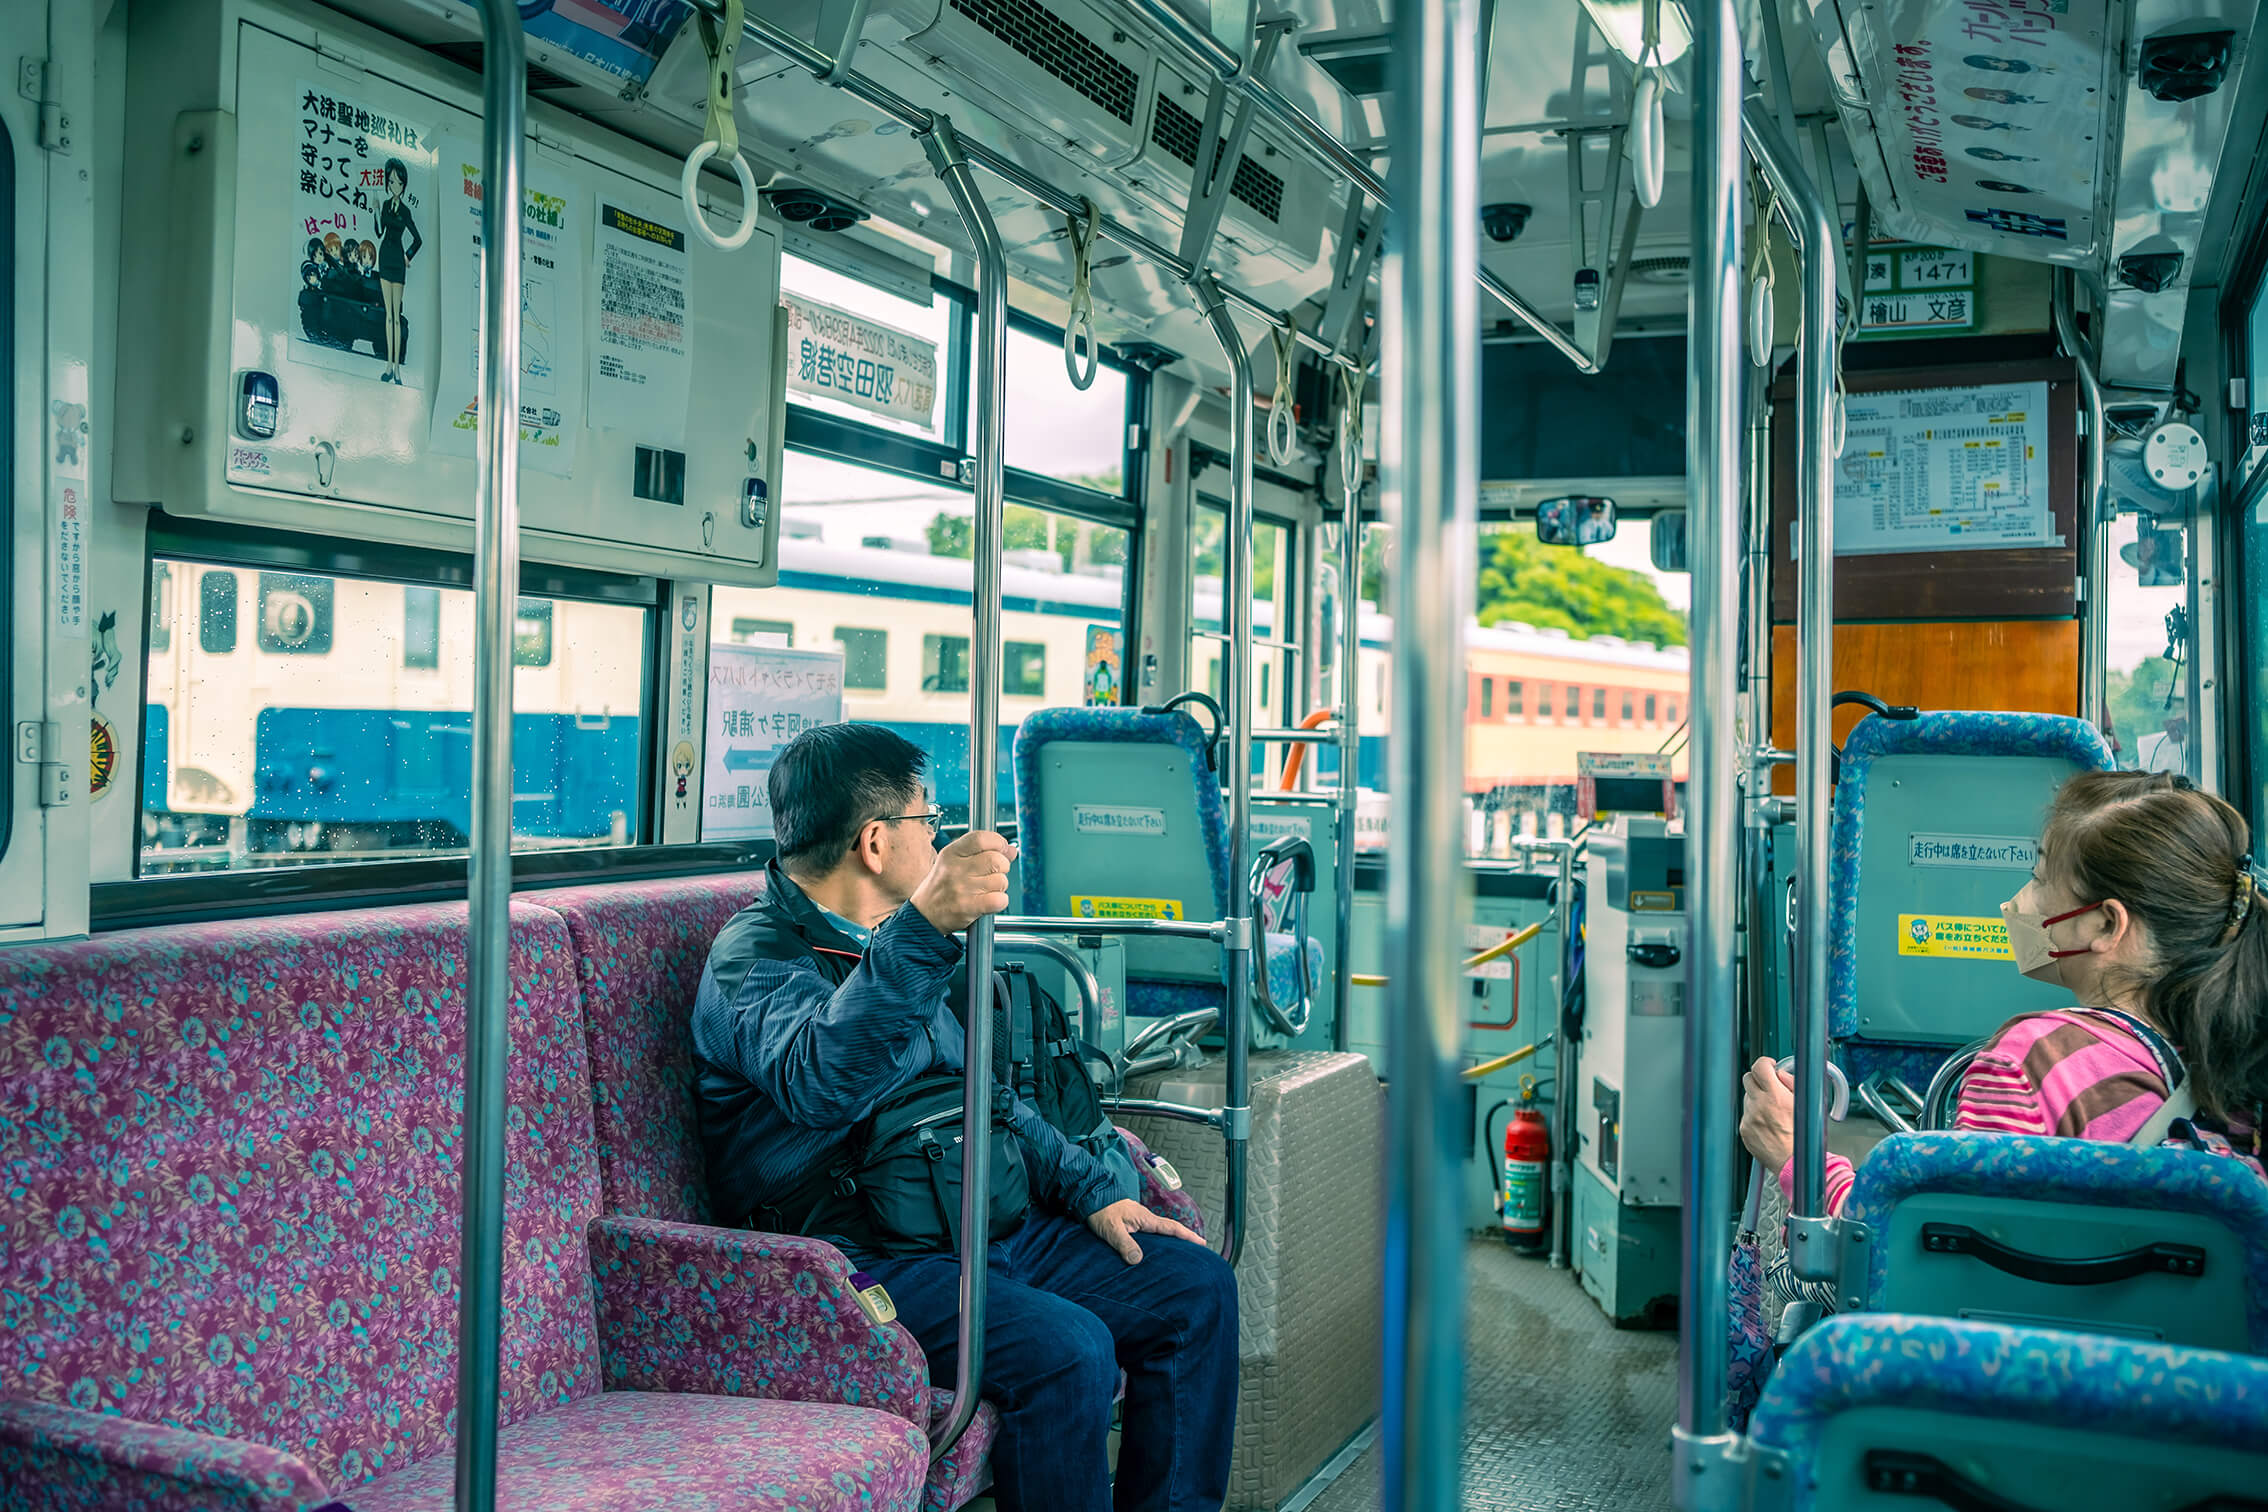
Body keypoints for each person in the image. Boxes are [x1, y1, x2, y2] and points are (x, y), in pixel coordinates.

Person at [693, 723, 1240, 1512]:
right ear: (877, 843)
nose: (941, 836)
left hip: (978, 1223)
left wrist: (1092, 1187)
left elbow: (986, 1095)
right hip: (861, 1258)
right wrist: (924, 929)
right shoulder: (755, 958)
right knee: (1069, 1351)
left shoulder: (892, 945)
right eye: (929, 820)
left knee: (1195, 1290)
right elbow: (822, 1084)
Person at [1741, 770, 2268, 1215]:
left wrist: (1799, 1160)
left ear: (2106, 924)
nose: (2018, 903)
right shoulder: (2231, 1063)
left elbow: (1930, 1275)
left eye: (2040, 879)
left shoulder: (2030, 1063)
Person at [375, 157, 421, 385]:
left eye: (399, 182)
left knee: (396, 316)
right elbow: (378, 231)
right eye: (392, 181)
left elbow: (417, 239)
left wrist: (408, 255)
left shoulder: (405, 210)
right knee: (389, 315)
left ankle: (397, 368)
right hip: (384, 256)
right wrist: (375, 212)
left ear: (403, 185)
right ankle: (388, 366)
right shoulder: (384, 205)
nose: (395, 185)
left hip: (398, 261)